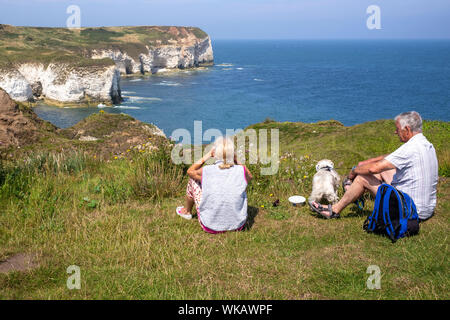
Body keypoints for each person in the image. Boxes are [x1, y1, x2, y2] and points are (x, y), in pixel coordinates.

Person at [309, 111, 438, 221]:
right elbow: (389, 158)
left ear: (407, 130)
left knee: (363, 178)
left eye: (398, 129)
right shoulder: (426, 145)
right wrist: (365, 163)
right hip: (426, 209)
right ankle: (354, 193)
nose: (395, 132)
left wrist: (354, 171)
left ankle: (334, 210)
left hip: (410, 211)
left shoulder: (410, 148)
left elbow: (373, 169)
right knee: (382, 172)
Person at [176, 136, 253, 233]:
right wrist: (236, 159)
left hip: (209, 225)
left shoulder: (207, 170)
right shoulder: (241, 171)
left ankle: (186, 211)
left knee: (193, 179)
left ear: (215, 153)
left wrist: (206, 156)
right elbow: (250, 176)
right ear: (232, 154)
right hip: (238, 226)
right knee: (241, 182)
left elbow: (190, 171)